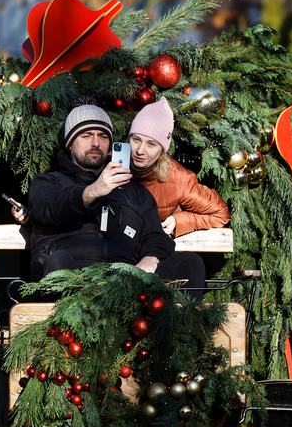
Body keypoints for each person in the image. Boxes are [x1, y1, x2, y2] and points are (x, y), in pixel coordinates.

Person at [25, 103, 205, 296]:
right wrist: (92, 191)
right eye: (86, 136)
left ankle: (178, 325)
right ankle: (70, 324)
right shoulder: (48, 182)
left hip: (127, 283)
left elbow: (155, 235)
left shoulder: (134, 190)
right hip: (75, 278)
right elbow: (45, 208)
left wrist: (150, 259)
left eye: (102, 137)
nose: (95, 143)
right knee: (57, 261)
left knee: (190, 262)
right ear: (70, 143)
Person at [126, 97, 229, 237]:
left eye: (151, 144)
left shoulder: (180, 180)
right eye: (136, 139)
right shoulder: (108, 164)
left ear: (162, 150)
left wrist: (177, 221)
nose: (140, 150)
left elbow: (221, 214)